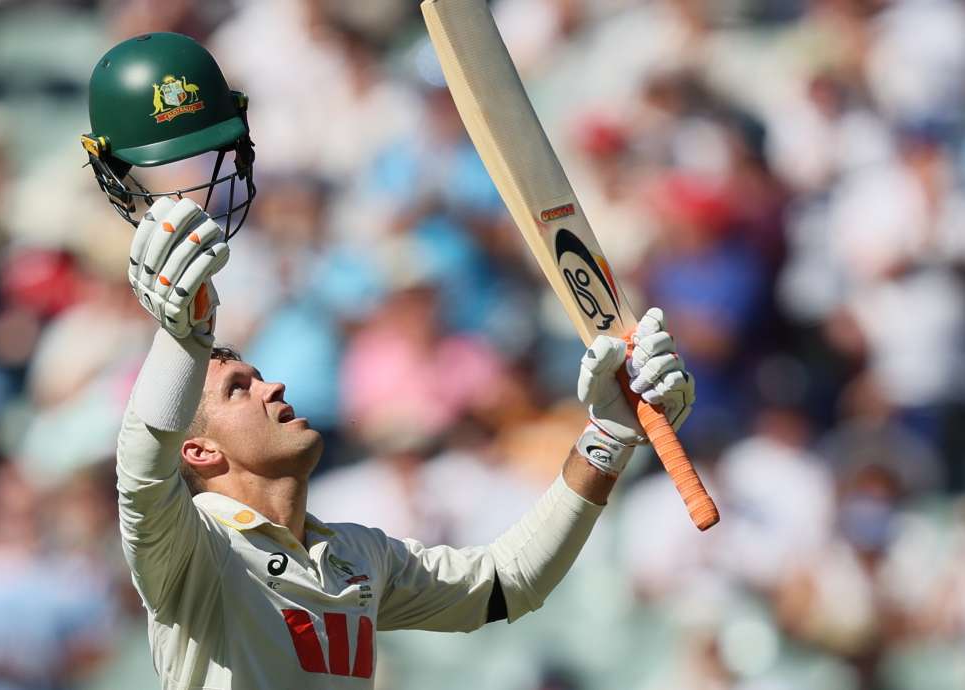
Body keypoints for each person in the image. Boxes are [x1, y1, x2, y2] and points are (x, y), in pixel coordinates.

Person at [83, 33, 696, 690]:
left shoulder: (356, 556)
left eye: (257, 377)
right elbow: (142, 472)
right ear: (199, 453)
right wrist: (180, 339)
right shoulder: (192, 548)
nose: (273, 385)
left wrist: (609, 435)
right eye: (239, 390)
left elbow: (504, 584)